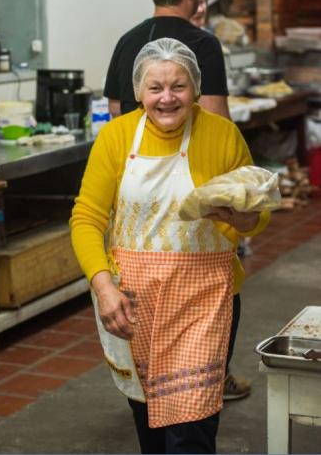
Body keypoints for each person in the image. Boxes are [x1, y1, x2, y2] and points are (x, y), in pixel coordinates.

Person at [71, 38, 270, 454]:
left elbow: (256, 212)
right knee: (149, 421)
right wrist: (103, 287)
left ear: (196, 89)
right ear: (139, 91)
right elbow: (87, 217)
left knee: (191, 427)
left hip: (207, 298)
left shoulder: (222, 135)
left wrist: (244, 218)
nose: (166, 98)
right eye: (155, 87)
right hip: (132, 301)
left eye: (178, 86)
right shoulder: (116, 137)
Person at [189, 0, 252, 402]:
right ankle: (209, 377)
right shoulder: (204, 45)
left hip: (211, 207)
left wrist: (246, 216)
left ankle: (212, 374)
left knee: (221, 286)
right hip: (198, 185)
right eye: (196, 4)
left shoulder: (128, 40)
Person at [103, 0, 230, 120]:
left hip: (134, 145)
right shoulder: (205, 44)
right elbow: (216, 118)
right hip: (187, 146)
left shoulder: (126, 41)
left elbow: (115, 109)